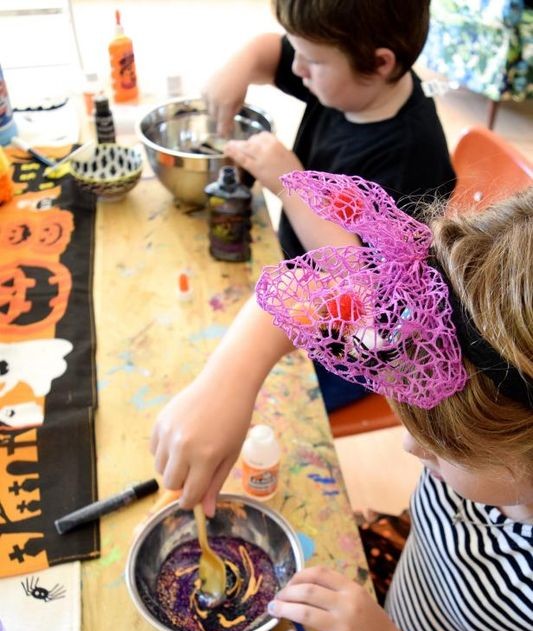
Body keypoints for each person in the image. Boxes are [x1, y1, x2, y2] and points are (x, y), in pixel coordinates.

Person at [255, 173, 533, 631]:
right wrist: (228, 380)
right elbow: (338, 285)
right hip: (408, 607)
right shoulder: (499, 449)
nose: (407, 447)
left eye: (437, 448)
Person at [151, 0, 456, 505]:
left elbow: (360, 282)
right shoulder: (348, 85)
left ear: (380, 62)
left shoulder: (409, 156)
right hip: (297, 285)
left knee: (264, 412)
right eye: (297, 49)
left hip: (357, 341)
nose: (295, 68)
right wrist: (242, 63)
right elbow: (274, 53)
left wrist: (292, 183)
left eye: (311, 59)